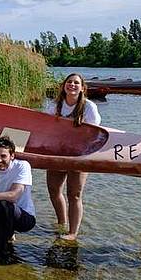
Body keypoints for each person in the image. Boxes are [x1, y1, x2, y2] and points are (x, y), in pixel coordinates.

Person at [45, 73, 101, 240]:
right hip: (58, 152)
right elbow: (46, 129)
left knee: (74, 194)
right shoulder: (55, 105)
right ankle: (61, 222)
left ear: (82, 88)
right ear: (64, 86)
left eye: (76, 83)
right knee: (54, 190)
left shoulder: (89, 107)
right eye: (69, 82)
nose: (72, 85)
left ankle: (72, 233)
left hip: (80, 155)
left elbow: (94, 134)